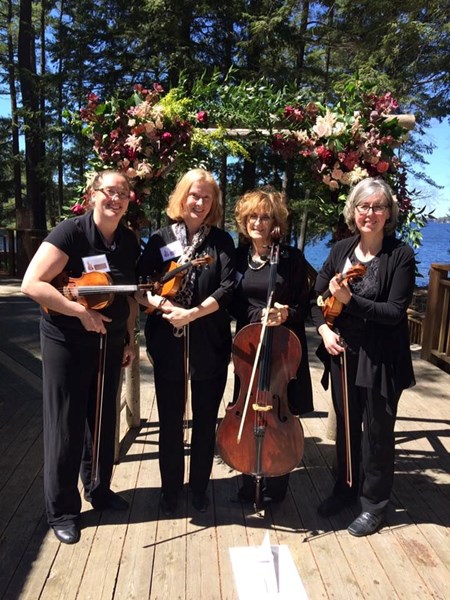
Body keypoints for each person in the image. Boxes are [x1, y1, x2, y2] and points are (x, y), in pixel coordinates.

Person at [21, 170, 140, 544]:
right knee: (67, 424)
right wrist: (81, 314)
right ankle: (62, 510)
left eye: (122, 193)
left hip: (110, 340)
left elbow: (128, 296)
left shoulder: (128, 241)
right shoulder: (70, 232)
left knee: (102, 418)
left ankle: (98, 489)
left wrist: (129, 338)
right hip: (67, 340)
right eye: (109, 191)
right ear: (93, 195)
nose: (116, 199)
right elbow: (32, 284)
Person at [311, 177, 416, 537]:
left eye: (378, 207)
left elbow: (394, 311)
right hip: (343, 356)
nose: (370, 213)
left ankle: (373, 505)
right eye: (364, 206)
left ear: (390, 213)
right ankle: (345, 488)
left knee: (377, 434)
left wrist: (350, 302)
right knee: (347, 428)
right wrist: (324, 330)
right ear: (353, 211)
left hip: (381, 359)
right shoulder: (340, 250)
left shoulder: (399, 254)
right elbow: (317, 297)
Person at [136, 168, 235, 515]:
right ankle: (170, 490)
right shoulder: (160, 239)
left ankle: (198, 489)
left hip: (208, 339)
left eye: (207, 197)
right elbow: (142, 286)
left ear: (214, 204)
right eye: (194, 195)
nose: (200, 202)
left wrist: (191, 314)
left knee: (206, 420)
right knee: (170, 421)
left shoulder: (221, 242)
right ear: (182, 197)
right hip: (168, 339)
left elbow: (227, 288)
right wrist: (165, 306)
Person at [229, 187, 313, 505]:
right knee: (246, 410)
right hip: (249, 348)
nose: (259, 223)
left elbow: (306, 305)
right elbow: (231, 302)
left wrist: (286, 312)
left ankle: (276, 479)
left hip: (281, 349)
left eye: (265, 217)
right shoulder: (238, 258)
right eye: (253, 216)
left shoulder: (292, 259)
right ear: (243, 221)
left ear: (275, 222)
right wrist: (255, 314)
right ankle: (247, 475)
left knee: (280, 413)